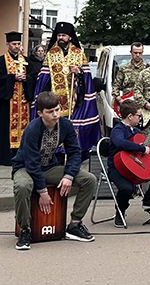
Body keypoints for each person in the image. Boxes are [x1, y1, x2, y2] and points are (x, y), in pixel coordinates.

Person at [11, 91, 97, 249]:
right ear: (40, 113)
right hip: (25, 168)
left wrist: (69, 175)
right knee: (23, 186)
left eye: (57, 109)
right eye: (50, 112)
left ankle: (74, 225)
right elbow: (31, 163)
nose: (55, 114)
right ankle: (25, 229)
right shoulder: (32, 129)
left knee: (89, 179)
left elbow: (75, 152)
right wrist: (43, 192)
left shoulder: (66, 125)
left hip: (50, 167)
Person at [32, 22, 101, 152]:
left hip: (74, 101)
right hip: (54, 100)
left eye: (64, 35)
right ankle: (54, 152)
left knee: (73, 129)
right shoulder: (50, 54)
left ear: (69, 37)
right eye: (58, 35)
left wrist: (79, 73)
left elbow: (86, 79)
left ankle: (72, 151)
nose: (61, 38)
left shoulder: (78, 53)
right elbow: (43, 79)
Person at [107, 99, 150, 225]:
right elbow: (120, 142)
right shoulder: (118, 129)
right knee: (127, 188)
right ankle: (120, 211)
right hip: (117, 168)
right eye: (139, 116)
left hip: (135, 165)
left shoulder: (135, 131)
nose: (140, 118)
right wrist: (141, 148)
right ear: (130, 117)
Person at [0, 32, 31, 165]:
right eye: (14, 44)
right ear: (7, 44)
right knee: (4, 129)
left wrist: (26, 79)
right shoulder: (1, 60)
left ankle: (22, 156)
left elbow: (33, 77)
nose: (17, 46)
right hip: (7, 103)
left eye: (18, 44)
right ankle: (5, 158)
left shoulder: (26, 60)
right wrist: (12, 77)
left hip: (23, 102)